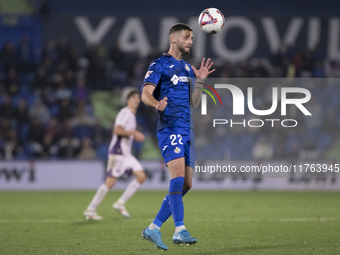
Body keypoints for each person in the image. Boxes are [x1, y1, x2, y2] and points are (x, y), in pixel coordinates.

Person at [141, 23, 214, 251]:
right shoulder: (160, 64)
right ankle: (180, 230)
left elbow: (194, 102)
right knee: (178, 176)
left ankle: (153, 228)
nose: (191, 41)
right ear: (174, 39)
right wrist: (157, 103)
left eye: (192, 37)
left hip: (187, 128)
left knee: (187, 184)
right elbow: (145, 93)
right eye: (187, 37)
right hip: (170, 127)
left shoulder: (186, 68)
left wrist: (200, 80)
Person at [83, 89, 146, 220]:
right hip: (118, 153)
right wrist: (134, 133)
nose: (136, 100)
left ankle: (120, 203)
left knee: (141, 176)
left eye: (138, 98)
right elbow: (117, 130)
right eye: (134, 98)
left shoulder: (132, 116)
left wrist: (133, 134)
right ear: (128, 100)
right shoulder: (125, 112)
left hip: (126, 154)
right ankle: (90, 209)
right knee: (110, 183)